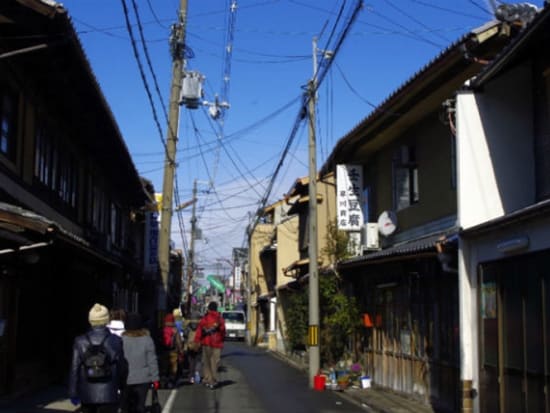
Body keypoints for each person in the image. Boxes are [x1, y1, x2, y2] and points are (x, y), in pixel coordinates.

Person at [68, 303, 128, 413]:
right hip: (109, 392)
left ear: (90, 320)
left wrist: (73, 392)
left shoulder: (80, 341)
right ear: (106, 320)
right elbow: (122, 367)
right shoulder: (115, 340)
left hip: (87, 393)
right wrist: (122, 387)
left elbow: (74, 368)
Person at [120, 313, 159, 413]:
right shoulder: (147, 340)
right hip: (143, 379)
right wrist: (155, 379)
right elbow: (152, 360)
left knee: (125, 407)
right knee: (140, 406)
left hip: (125, 379)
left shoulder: (121, 340)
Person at [194, 301, 225, 389]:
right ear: (216, 308)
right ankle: (213, 380)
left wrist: (197, 341)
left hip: (206, 343)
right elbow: (223, 331)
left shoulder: (205, 318)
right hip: (217, 343)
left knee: (206, 362)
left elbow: (199, 330)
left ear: (209, 309)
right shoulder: (220, 319)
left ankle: (207, 379)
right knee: (214, 362)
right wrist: (221, 340)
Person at [161, 313, 184, 388]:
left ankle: (164, 381)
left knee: (164, 366)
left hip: (164, 350)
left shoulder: (162, 329)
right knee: (173, 367)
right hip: (173, 350)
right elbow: (178, 341)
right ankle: (171, 381)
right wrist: (181, 350)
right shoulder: (174, 330)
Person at [184, 313, 202, 384]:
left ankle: (191, 377)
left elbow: (185, 335)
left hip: (190, 345)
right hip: (199, 345)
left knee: (191, 361)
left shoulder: (188, 325)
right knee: (198, 360)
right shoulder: (200, 326)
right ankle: (197, 374)